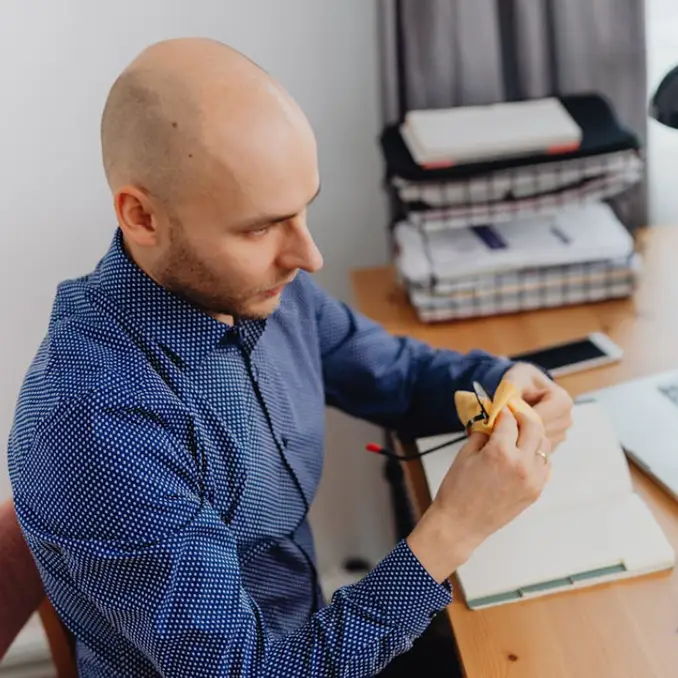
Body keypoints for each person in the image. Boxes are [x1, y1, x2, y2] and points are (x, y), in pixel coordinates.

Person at [6, 38, 573, 677]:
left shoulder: (262, 288)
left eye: (304, 209)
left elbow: (396, 374)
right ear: (141, 216)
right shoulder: (94, 426)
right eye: (260, 227)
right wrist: (453, 530)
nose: (309, 255)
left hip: (324, 635)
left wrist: (503, 383)